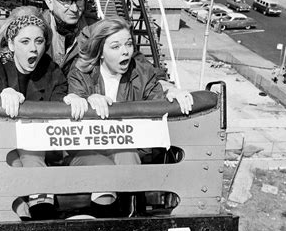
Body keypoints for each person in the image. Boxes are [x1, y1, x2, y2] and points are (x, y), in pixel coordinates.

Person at [67, 17, 193, 215]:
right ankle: (109, 219)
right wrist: (87, 99)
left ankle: (131, 217)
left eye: (128, 44)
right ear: (100, 52)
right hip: (88, 149)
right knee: (106, 168)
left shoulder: (142, 72)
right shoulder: (81, 73)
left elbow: (156, 98)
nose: (125, 51)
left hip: (127, 147)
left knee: (126, 153)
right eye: (115, 46)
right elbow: (73, 98)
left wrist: (171, 94)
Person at [0, 10, 87, 219]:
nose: (33, 48)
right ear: (11, 45)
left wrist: (69, 100)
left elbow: (57, 103)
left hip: (41, 145)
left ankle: (38, 207)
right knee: (14, 161)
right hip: (2, 145)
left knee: (31, 151)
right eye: (25, 42)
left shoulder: (51, 71)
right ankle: (28, 209)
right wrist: (0, 95)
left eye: (39, 41)